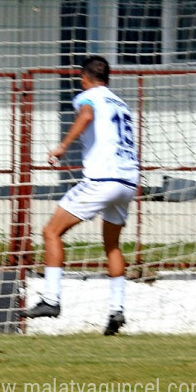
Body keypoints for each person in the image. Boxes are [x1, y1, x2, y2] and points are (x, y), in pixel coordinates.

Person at [19, 55, 139, 336]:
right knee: (112, 245)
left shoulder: (89, 97)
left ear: (84, 78)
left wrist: (62, 146)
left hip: (103, 179)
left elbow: (86, 115)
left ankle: (51, 299)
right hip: (128, 180)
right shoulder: (120, 103)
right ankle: (117, 309)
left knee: (51, 231)